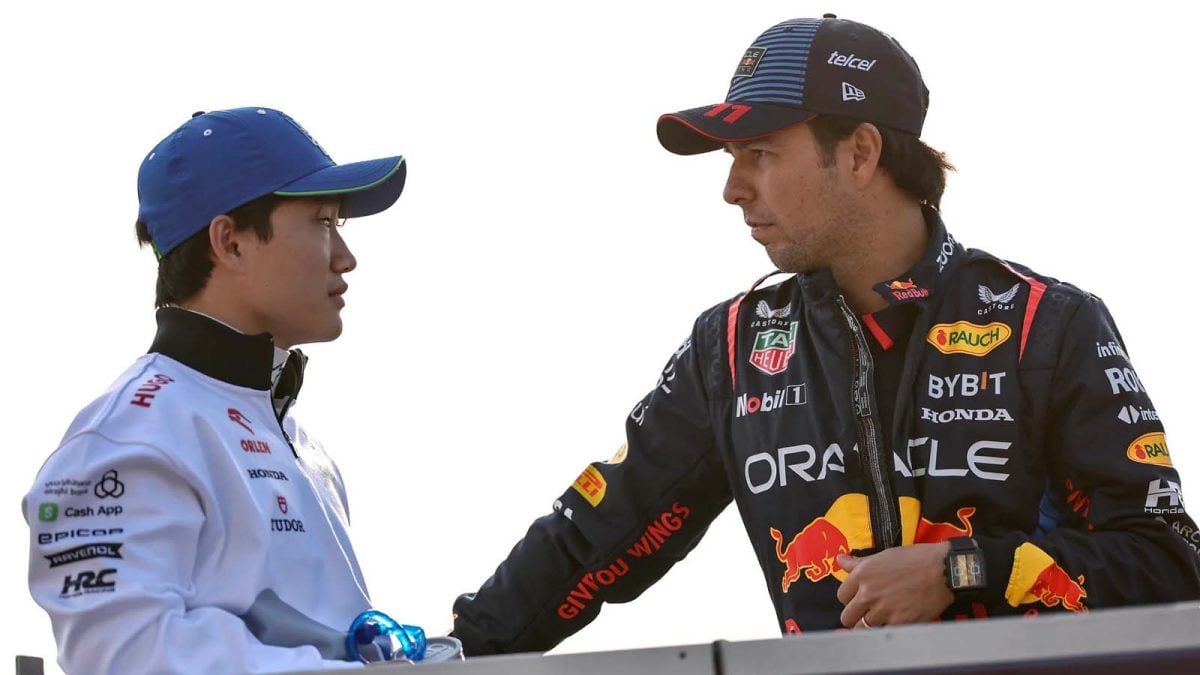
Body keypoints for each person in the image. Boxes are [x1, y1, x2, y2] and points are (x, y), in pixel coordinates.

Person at [450, 15, 1200, 653]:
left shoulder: (1046, 323)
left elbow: (1168, 563)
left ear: (862, 153)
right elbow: (589, 541)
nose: (732, 187)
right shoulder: (735, 349)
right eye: (731, 158)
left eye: (760, 154)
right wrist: (453, 649)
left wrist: (961, 570)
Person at [23, 107, 411, 673]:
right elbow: (124, 657)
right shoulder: (126, 436)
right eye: (323, 222)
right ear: (229, 242)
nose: (346, 258)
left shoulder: (299, 441)